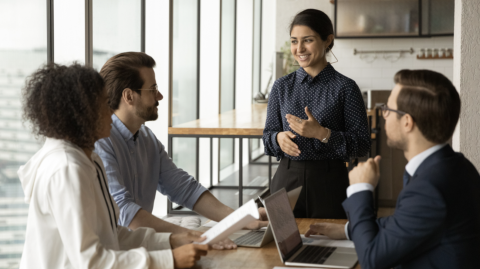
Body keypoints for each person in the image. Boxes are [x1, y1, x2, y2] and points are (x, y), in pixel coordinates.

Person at [18, 63, 210, 269]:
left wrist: (171, 241)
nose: (112, 110)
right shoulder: (66, 169)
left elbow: (111, 235)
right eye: (104, 103)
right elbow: (91, 262)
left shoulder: (89, 159)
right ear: (80, 113)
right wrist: (170, 260)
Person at [305, 70, 480, 268]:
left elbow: (372, 260)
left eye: (388, 109)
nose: (384, 115)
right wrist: (349, 230)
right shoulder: (456, 166)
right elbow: (405, 223)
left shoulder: (430, 187)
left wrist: (361, 188)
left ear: (407, 122)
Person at [94, 52, 267, 246]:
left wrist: (240, 218)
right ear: (129, 96)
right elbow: (124, 213)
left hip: (142, 246)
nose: (160, 96)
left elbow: (184, 188)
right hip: (113, 254)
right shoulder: (100, 143)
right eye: (153, 89)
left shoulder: (147, 138)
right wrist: (194, 237)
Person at [263, 9, 370, 219]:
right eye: (294, 41)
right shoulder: (281, 87)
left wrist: (322, 133)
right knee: (279, 247)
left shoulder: (346, 88)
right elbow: (267, 137)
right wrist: (277, 138)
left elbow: (362, 145)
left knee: (328, 247)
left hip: (329, 182)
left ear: (327, 40)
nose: (299, 48)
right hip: (286, 178)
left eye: (308, 40)